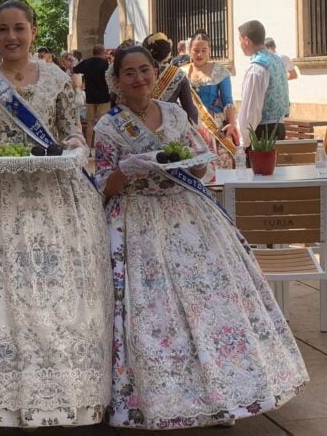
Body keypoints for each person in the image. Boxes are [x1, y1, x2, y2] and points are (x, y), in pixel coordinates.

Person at [94, 45, 308, 429]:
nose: (139, 79)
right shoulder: (108, 126)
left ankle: (224, 395)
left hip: (190, 216)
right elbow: (104, 187)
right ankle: (161, 398)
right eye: (129, 72)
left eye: (145, 70)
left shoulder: (175, 113)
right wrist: (127, 169)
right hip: (137, 220)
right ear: (117, 79)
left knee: (209, 302)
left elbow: (198, 159)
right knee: (153, 313)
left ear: (154, 71)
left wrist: (193, 162)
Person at [0, 0, 112, 430]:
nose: (11, 37)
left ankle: (66, 396)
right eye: (3, 29)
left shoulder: (58, 77)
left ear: (34, 31)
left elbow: (70, 130)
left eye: (19, 28)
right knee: (2, 293)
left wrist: (78, 146)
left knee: (55, 292)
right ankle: (0, 403)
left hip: (56, 198)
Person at [185, 30, 239, 169]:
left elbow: (227, 100)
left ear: (209, 50)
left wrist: (232, 123)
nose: (200, 54)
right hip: (189, 125)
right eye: (196, 50)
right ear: (189, 50)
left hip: (214, 123)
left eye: (204, 50)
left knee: (219, 163)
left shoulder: (220, 71)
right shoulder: (182, 72)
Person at [238, 20, 289, 147]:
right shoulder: (277, 60)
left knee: (260, 168)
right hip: (280, 127)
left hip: (262, 133)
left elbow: (251, 109)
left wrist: (244, 141)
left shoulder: (257, 67)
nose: (240, 45)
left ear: (246, 40)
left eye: (239, 40)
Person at [144, 31, 198, 124]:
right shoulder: (177, 74)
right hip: (170, 128)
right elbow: (190, 110)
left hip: (140, 127)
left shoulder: (137, 74)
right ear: (168, 52)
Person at [74, 43, 111, 149]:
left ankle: (88, 147)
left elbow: (75, 70)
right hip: (103, 96)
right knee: (102, 122)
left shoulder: (87, 62)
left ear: (93, 52)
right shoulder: (105, 64)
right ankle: (100, 147)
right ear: (103, 52)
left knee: (90, 122)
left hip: (90, 96)